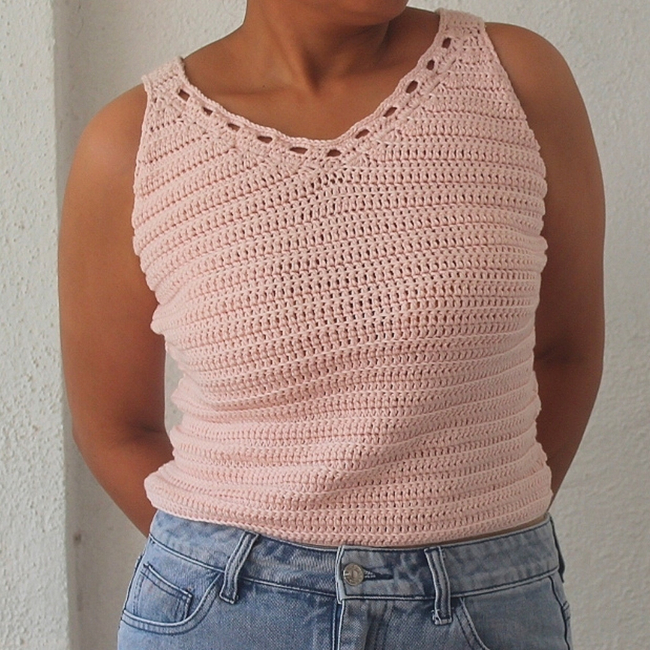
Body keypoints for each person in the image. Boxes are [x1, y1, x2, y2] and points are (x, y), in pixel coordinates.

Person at [58, 1, 605, 648]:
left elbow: (566, 350)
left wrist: (480, 531)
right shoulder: (135, 142)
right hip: (227, 615)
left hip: (483, 607)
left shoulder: (512, 77)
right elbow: (116, 428)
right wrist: (245, 569)